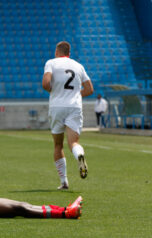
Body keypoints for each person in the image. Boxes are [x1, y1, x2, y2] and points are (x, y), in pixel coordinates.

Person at [42, 41, 94, 190]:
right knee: (73, 143)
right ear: (69, 53)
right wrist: (76, 95)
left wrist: (55, 91)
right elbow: (90, 89)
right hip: (74, 107)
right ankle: (79, 156)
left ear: (57, 52)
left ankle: (64, 182)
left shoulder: (51, 63)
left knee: (58, 145)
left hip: (57, 107)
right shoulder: (78, 66)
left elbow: (45, 83)